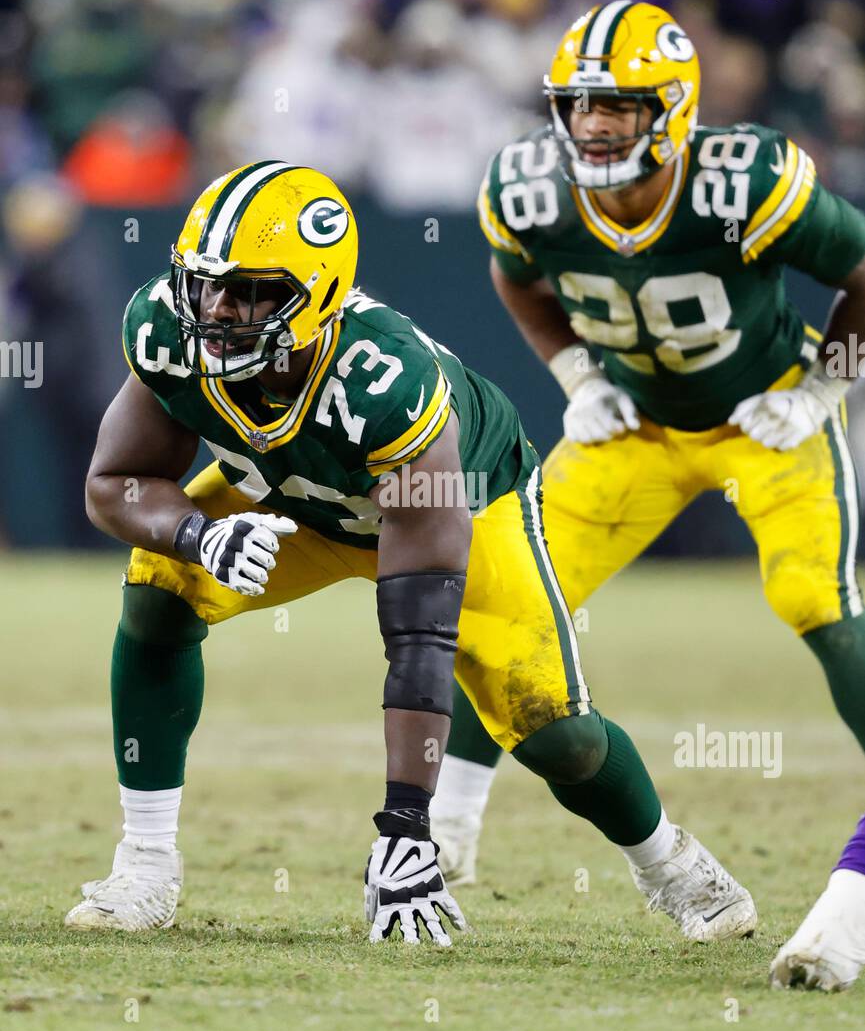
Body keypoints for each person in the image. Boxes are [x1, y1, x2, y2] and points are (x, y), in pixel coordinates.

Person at [65, 159, 755, 946]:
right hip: (295, 502)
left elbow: (418, 637)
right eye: (206, 284)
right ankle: (145, 862)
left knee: (553, 730)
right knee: (161, 584)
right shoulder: (166, 327)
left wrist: (405, 825)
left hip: (459, 505)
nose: (218, 310)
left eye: (252, 290)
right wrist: (200, 533)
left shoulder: (387, 384)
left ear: (315, 296)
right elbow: (115, 482)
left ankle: (668, 861)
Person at [429, 0, 865, 990]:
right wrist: (580, 377)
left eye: (617, 107)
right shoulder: (527, 188)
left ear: (670, 110)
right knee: (499, 595)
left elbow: (862, 268)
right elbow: (517, 280)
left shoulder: (743, 177)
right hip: (633, 427)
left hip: (763, 415)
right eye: (577, 104)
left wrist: (822, 387)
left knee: (815, 601)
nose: (591, 125)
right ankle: (447, 828)